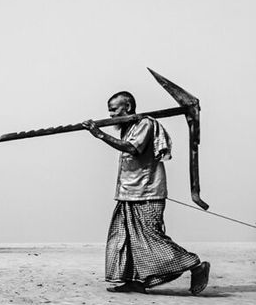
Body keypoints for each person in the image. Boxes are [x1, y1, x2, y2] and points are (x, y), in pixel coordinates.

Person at [85, 91, 210, 294]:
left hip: (147, 193)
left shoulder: (145, 124)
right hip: (128, 193)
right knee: (124, 238)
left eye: (114, 110)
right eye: (109, 111)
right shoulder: (128, 127)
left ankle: (195, 265)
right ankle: (134, 281)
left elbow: (132, 148)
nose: (111, 116)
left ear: (127, 107)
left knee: (151, 237)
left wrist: (100, 134)